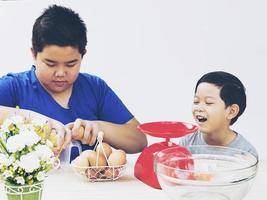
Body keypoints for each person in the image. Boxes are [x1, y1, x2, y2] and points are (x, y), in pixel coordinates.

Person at [0, 5, 147, 160]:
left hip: (89, 183)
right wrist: (34, 119)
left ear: (83, 55)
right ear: (34, 54)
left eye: (71, 64)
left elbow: (139, 140)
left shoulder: (94, 88)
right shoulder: (15, 87)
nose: (61, 73)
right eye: (50, 64)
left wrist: (99, 128)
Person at [178, 71, 258, 157]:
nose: (199, 108)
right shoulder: (187, 144)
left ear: (232, 111)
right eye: (196, 101)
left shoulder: (246, 153)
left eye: (208, 103)